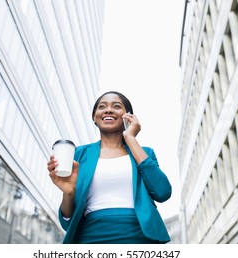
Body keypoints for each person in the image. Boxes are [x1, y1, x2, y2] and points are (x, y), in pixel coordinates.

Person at [47, 91, 172, 244]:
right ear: (94, 116)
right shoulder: (78, 154)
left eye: (117, 106)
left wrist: (131, 139)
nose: (108, 110)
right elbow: (68, 223)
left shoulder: (144, 153)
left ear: (128, 117)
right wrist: (69, 193)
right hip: (91, 238)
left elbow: (163, 192)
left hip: (139, 238)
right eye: (102, 106)